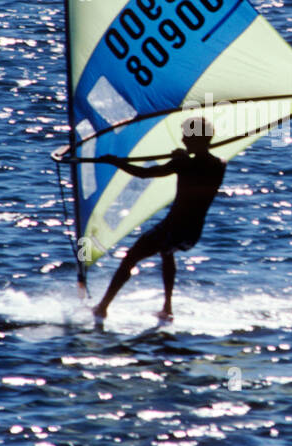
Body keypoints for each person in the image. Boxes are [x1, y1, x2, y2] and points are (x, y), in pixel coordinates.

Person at [91, 116, 225, 325]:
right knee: (167, 252)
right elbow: (199, 165)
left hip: (173, 228)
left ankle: (102, 308)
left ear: (196, 139)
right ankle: (167, 308)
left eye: (186, 137)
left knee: (130, 257)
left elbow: (145, 173)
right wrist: (182, 159)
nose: (182, 140)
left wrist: (116, 162)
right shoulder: (219, 165)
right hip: (192, 233)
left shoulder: (183, 164)